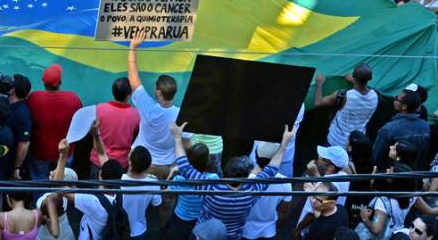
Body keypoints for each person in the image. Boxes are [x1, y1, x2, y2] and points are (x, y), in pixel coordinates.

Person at [172, 120, 295, 239]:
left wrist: (178, 138)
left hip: (204, 234)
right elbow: (272, 169)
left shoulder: (211, 188)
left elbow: (184, 167)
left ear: (225, 173)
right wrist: (284, 144)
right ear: (246, 177)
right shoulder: (252, 190)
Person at [127, 30, 182, 179]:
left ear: (158, 92)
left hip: (141, 165)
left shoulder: (147, 106)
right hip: (166, 169)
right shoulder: (181, 115)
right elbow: (187, 145)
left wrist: (133, 47)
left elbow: (133, 78)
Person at [27, 64, 82, 180]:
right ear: (60, 82)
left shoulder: (34, 98)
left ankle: (41, 198)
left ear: (43, 82)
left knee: (39, 181)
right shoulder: (73, 98)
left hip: (40, 152)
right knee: (63, 182)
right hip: (65, 151)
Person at [314, 64, 378, 148]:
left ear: (354, 76)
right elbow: (362, 86)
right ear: (370, 79)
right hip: (355, 144)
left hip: (335, 141)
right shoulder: (374, 97)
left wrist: (319, 84)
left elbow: (318, 102)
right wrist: (353, 80)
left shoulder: (345, 96)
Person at [91, 77, 140, 173]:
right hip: (120, 164)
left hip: (98, 163)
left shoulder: (99, 109)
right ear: (129, 95)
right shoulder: (136, 115)